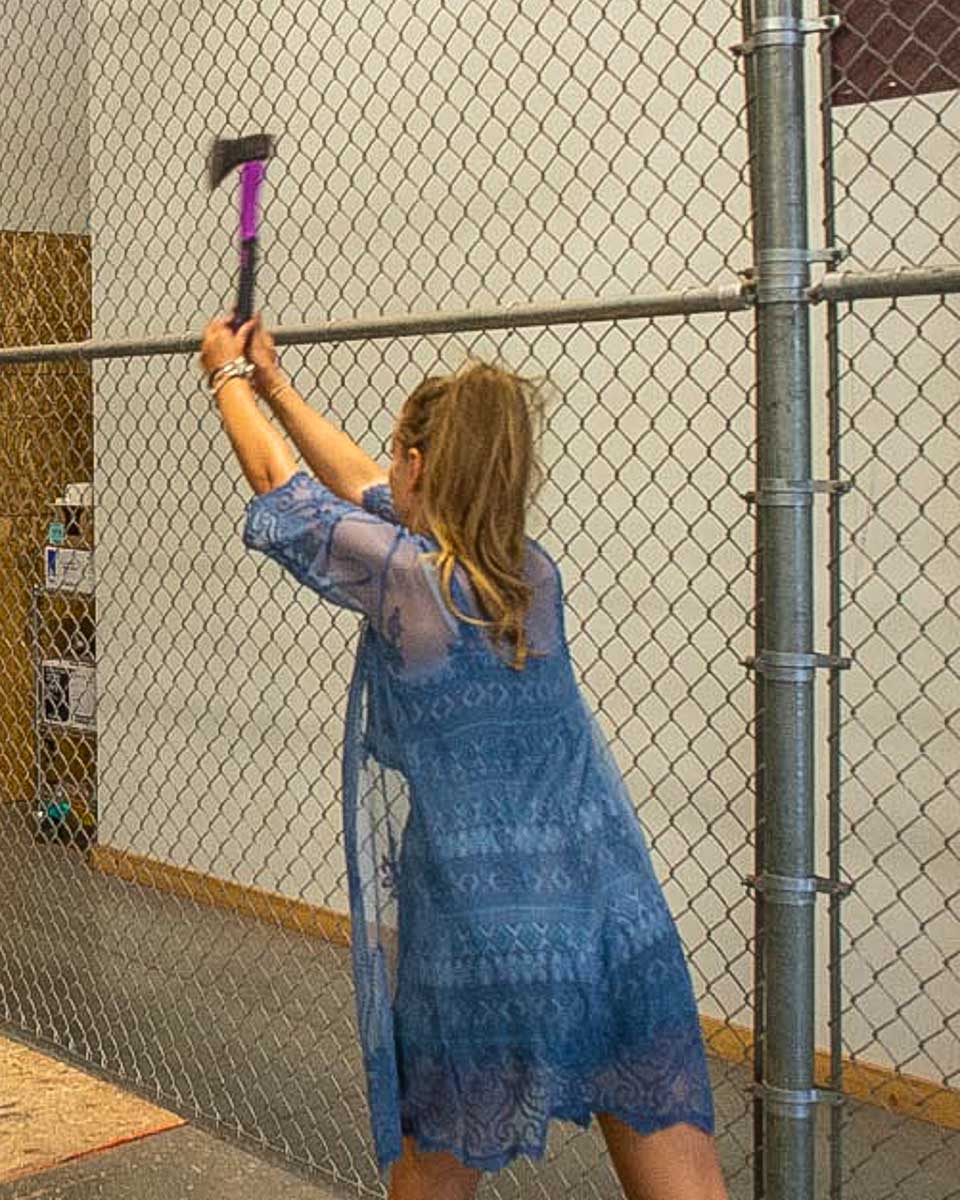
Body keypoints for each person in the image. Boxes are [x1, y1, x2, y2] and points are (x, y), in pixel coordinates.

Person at [200, 313, 730, 1200]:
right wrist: (278, 388)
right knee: (679, 1170)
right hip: (611, 919)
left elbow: (280, 487)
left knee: (435, 1170)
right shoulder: (532, 575)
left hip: (484, 938)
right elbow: (363, 484)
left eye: (397, 462)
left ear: (418, 466)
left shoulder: (405, 579)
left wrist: (225, 377)